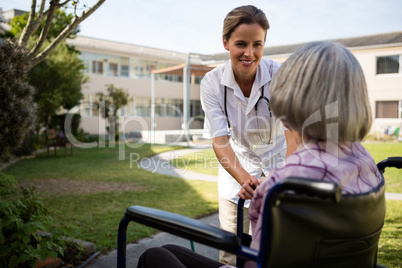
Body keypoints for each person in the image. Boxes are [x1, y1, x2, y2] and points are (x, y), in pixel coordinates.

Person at [137, 40, 382, 268]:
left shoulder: (279, 190)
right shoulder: (368, 164)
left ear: (294, 96)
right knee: (172, 250)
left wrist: (282, 179)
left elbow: (259, 260)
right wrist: (286, 175)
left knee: (155, 256)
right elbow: (221, 140)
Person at [200, 5, 296, 265]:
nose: (249, 53)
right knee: (231, 256)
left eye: (258, 44)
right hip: (235, 179)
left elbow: (293, 135)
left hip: (279, 171)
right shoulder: (212, 83)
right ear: (226, 43)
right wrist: (246, 181)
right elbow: (219, 140)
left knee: (273, 254)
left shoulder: (281, 75)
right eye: (241, 44)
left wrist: (275, 180)